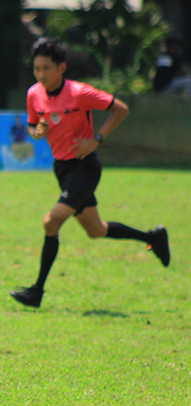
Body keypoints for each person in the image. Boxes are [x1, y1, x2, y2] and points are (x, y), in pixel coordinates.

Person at [10, 37, 169, 309]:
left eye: (46, 68)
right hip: (62, 168)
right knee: (96, 230)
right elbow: (33, 128)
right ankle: (152, 237)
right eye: (37, 68)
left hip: (84, 166)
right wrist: (39, 132)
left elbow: (120, 109)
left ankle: (36, 292)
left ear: (61, 67)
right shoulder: (33, 94)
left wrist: (97, 139)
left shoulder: (79, 92)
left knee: (51, 222)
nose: (41, 74)